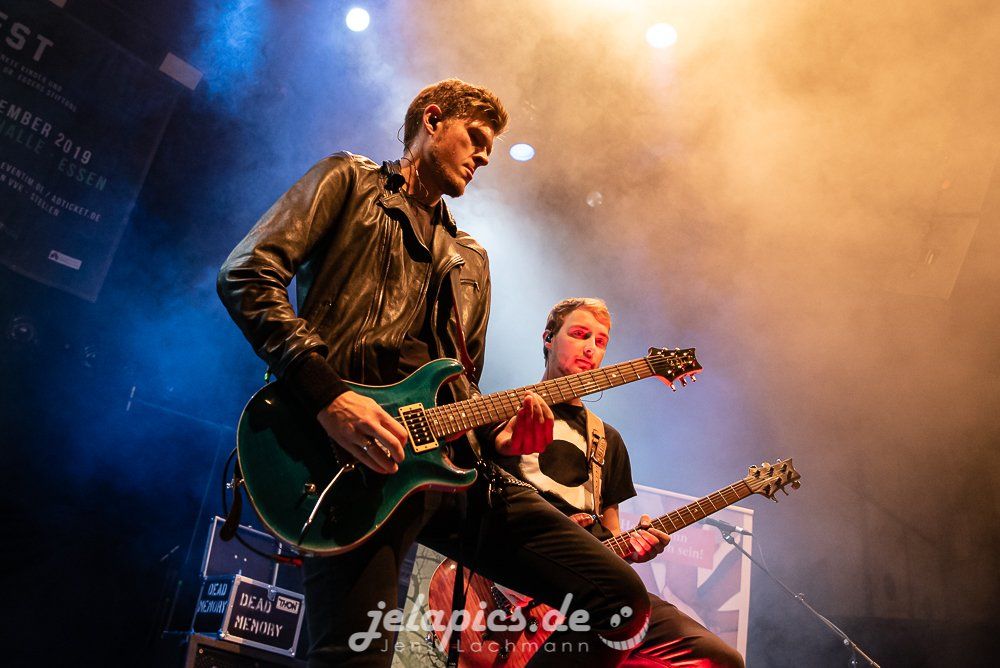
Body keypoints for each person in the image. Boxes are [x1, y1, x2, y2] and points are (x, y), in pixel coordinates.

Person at [217, 79, 658, 667]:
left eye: (489, 148)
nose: (483, 157)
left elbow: (461, 386)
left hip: (449, 469)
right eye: (475, 138)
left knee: (619, 599)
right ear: (432, 120)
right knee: (355, 657)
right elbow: (247, 274)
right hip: (351, 459)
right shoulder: (349, 181)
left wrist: (499, 438)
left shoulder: (470, 258)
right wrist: (329, 397)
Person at [496, 297, 745, 667]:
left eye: (600, 342)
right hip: (525, 577)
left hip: (596, 584)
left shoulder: (606, 439)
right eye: (580, 334)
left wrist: (638, 547)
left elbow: (611, 535)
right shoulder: (505, 412)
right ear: (548, 337)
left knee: (721, 659)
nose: (591, 348)